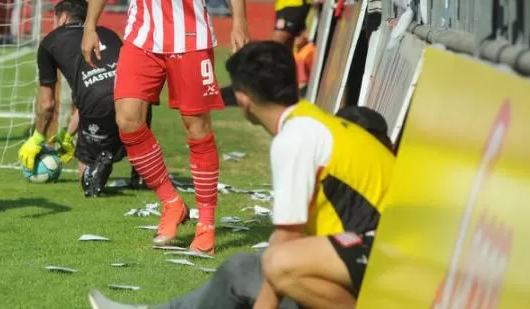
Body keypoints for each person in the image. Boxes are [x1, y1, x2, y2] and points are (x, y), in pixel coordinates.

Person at [88, 41, 395, 309]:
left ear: (244, 98)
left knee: (275, 265)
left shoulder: (296, 137)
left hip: (383, 264)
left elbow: (286, 245)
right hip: (374, 256)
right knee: (239, 269)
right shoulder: (312, 121)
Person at [81, 0, 250, 255]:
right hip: (142, 35)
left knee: (197, 129)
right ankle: (172, 204)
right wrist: (89, 24)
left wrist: (240, 24)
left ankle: (207, 224)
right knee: (127, 119)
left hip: (190, 40)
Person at [19, 0, 149, 197]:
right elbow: (103, 84)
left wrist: (36, 140)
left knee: (86, 178)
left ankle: (94, 171)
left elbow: (47, 104)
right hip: (135, 95)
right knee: (133, 128)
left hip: (97, 101)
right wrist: (69, 134)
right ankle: (140, 171)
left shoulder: (50, 42)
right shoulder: (108, 34)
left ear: (62, 18)